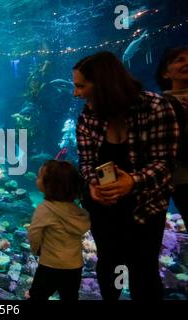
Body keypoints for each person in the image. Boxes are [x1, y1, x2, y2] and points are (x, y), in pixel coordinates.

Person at [74, 51, 179, 300]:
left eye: (81, 86)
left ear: (103, 84)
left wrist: (132, 181)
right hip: (103, 205)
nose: (75, 93)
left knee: (144, 269)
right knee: (108, 262)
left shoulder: (155, 107)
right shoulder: (88, 116)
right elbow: (86, 161)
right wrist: (92, 185)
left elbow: (165, 163)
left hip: (145, 207)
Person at [28, 160, 90, 301]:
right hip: (74, 267)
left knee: (37, 296)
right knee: (70, 297)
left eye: (39, 177)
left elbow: (34, 234)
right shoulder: (77, 211)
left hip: (49, 265)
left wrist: (36, 250)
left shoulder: (44, 209)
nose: (37, 180)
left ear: (50, 185)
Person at [156, 47, 188, 229]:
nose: (186, 63)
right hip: (182, 179)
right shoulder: (161, 103)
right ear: (165, 73)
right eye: (179, 60)